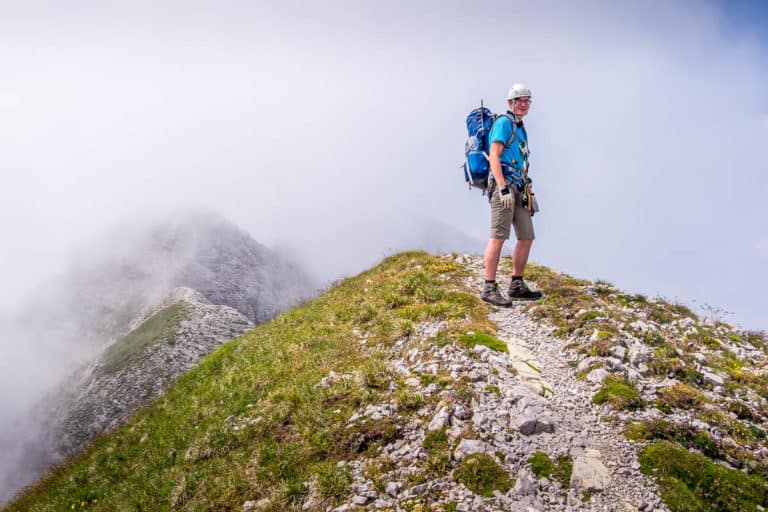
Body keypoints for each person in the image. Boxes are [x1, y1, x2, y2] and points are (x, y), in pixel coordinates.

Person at [480, 84, 543, 306]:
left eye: (527, 101)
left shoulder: (521, 127)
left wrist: (527, 190)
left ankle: (516, 284)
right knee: (498, 236)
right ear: (510, 103)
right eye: (519, 101)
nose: (524, 104)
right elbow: (494, 156)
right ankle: (489, 287)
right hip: (504, 187)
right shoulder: (504, 123)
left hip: (519, 186)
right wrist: (502, 186)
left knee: (526, 236)